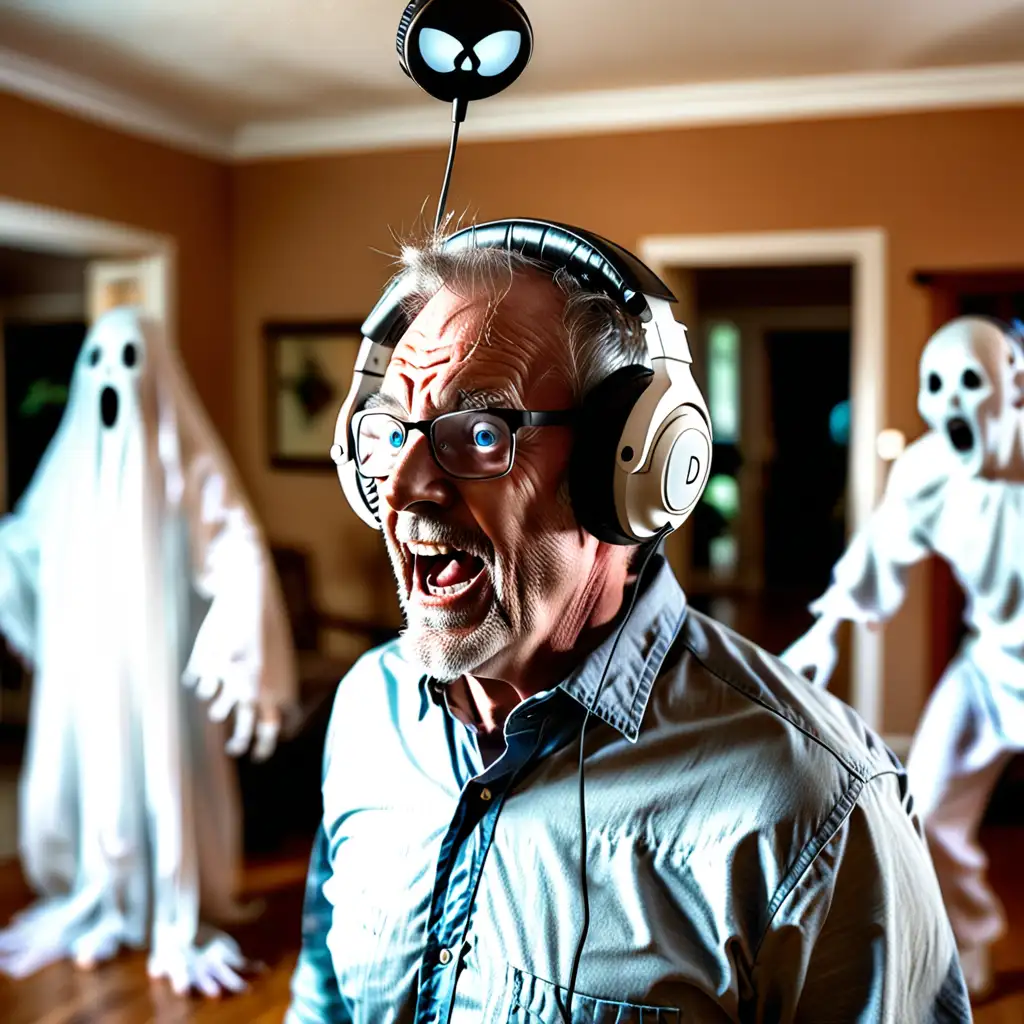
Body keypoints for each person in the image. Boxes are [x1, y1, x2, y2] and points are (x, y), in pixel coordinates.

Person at [287, 224, 971, 1023]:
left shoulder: (813, 807)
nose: (403, 484)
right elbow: (325, 998)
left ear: (629, 468)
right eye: (387, 430)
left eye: (479, 434)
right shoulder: (370, 708)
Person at [0, 308, 296, 996]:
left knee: (157, 777)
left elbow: (237, 549)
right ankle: (102, 899)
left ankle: (162, 905)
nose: (113, 380)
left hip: (162, 669)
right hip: (88, 667)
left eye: (129, 361)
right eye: (99, 362)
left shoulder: (181, 458)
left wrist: (237, 645)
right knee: (96, 776)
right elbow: (28, 539)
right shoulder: (73, 461)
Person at [783, 315, 1024, 999]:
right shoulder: (927, 471)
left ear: (1016, 386)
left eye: (970, 382)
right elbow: (878, 552)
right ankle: (971, 940)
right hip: (989, 669)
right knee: (929, 805)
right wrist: (826, 628)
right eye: (935, 385)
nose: (950, 403)